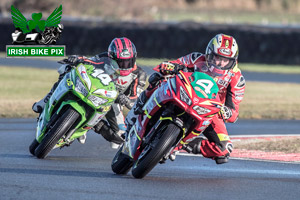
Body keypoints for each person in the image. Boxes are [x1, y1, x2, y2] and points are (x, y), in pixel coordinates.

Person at [125, 33, 245, 164]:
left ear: (233, 61)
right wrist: (169, 67)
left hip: (208, 110)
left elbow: (234, 113)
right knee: (157, 79)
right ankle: (136, 111)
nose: (220, 63)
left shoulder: (236, 78)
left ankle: (182, 144)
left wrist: (227, 112)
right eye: (217, 57)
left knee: (224, 149)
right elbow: (169, 65)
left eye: (225, 60)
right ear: (209, 53)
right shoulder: (196, 58)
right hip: (183, 93)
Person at [32, 37, 146, 147]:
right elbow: (88, 61)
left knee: (121, 136)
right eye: (120, 62)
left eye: (128, 62)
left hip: (113, 102)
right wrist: (76, 58)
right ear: (112, 57)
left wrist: (126, 100)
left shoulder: (140, 74)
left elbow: (136, 100)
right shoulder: (104, 58)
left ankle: (93, 126)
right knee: (68, 68)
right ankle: (46, 100)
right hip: (93, 89)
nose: (124, 66)